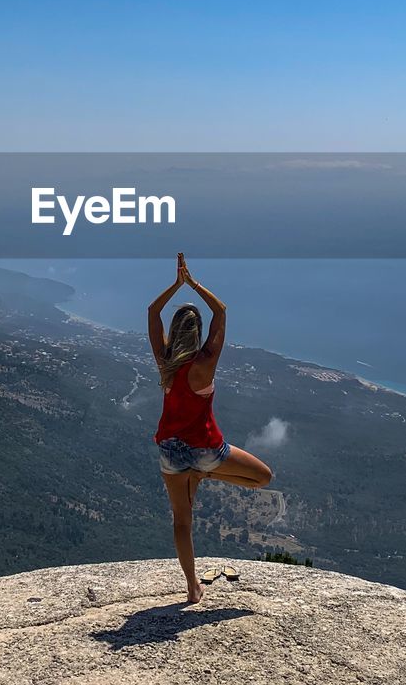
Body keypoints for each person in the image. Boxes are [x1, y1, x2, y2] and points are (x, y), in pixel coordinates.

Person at [148, 253, 272, 603]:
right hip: (206, 448)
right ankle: (208, 474)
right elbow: (221, 312)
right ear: (198, 333)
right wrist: (193, 284)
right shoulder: (205, 363)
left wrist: (175, 286)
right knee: (263, 477)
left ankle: (192, 588)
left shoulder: (165, 363)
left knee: (181, 522)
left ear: (175, 332)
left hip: (171, 451)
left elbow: (151, 313)